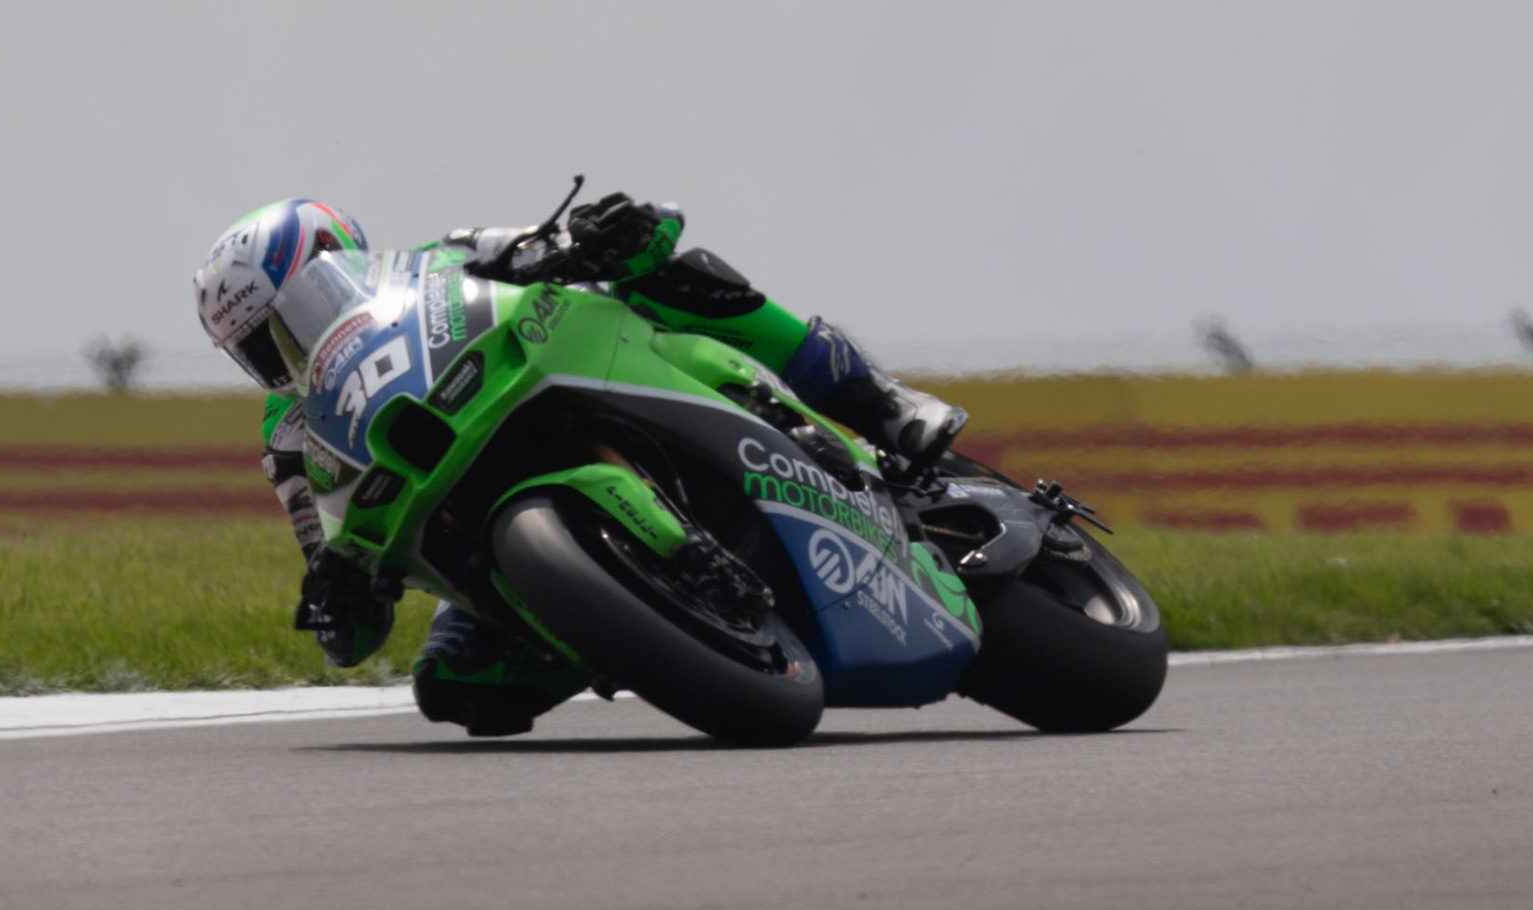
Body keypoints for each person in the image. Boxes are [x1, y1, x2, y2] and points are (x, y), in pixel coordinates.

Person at [194, 194, 968, 736]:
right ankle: (637, 627)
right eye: (256, 346)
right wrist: (335, 591)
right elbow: (337, 590)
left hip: (575, 375)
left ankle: (879, 403)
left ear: (339, 257)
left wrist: (612, 230)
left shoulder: (440, 261)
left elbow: (614, 232)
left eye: (286, 319)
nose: (282, 351)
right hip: (472, 519)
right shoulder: (287, 435)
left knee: (674, 275)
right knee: (456, 688)